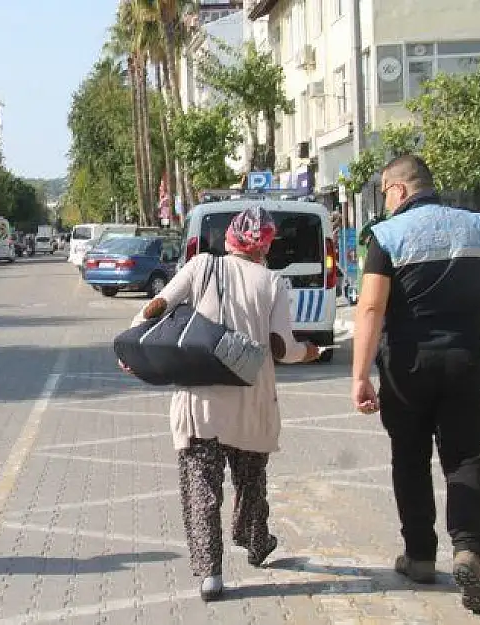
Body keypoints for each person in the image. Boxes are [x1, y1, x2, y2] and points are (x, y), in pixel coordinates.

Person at [125, 207, 319, 601]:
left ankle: (210, 573)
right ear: (265, 244)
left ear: (229, 238)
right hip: (250, 399)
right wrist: (310, 352)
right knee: (250, 482)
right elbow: (282, 348)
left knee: (201, 486)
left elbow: (157, 306)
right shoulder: (271, 282)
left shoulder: (201, 267)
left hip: (200, 398)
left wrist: (133, 341)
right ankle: (254, 539)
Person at [351, 155, 480, 615]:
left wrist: (360, 375)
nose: (384, 201)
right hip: (466, 361)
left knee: (410, 457)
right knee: (465, 457)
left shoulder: (386, 236)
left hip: (408, 366)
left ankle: (420, 555)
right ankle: (469, 551)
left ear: (398, 190)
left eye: (384, 192)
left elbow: (370, 309)